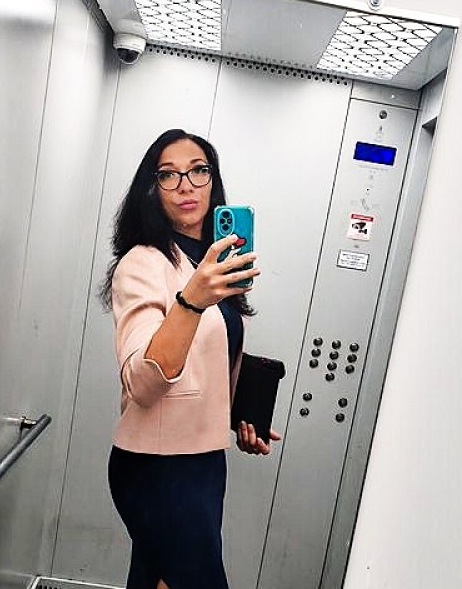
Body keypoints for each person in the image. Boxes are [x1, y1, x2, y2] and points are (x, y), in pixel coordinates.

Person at [100, 129, 280, 589]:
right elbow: (143, 382)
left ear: (213, 180)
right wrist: (191, 301)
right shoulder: (142, 263)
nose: (186, 185)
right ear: (152, 188)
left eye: (199, 170)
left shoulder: (218, 262)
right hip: (157, 467)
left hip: (204, 462)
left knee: (155, 580)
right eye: (169, 174)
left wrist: (240, 415)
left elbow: (210, 353)